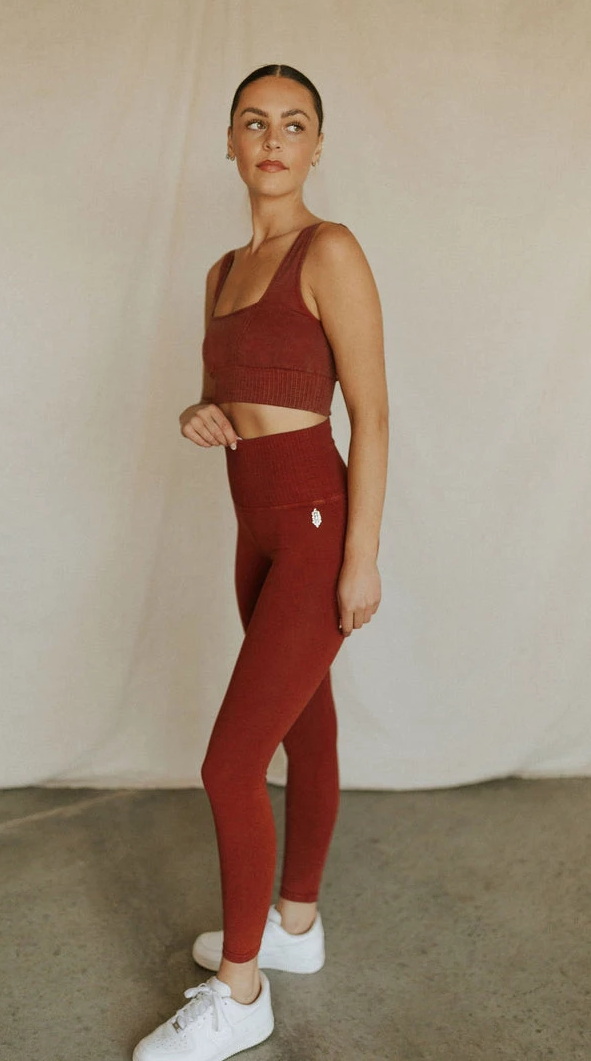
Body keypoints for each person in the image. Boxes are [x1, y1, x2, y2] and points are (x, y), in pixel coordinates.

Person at [133, 63, 388, 1061]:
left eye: (293, 124)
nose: (273, 140)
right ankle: (295, 926)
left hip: (317, 528)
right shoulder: (220, 274)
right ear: (231, 144)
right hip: (256, 530)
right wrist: (199, 415)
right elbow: (232, 399)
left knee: (230, 763)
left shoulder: (331, 250)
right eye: (254, 122)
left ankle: (241, 992)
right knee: (306, 730)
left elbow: (370, 413)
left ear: (317, 146)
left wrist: (360, 557)